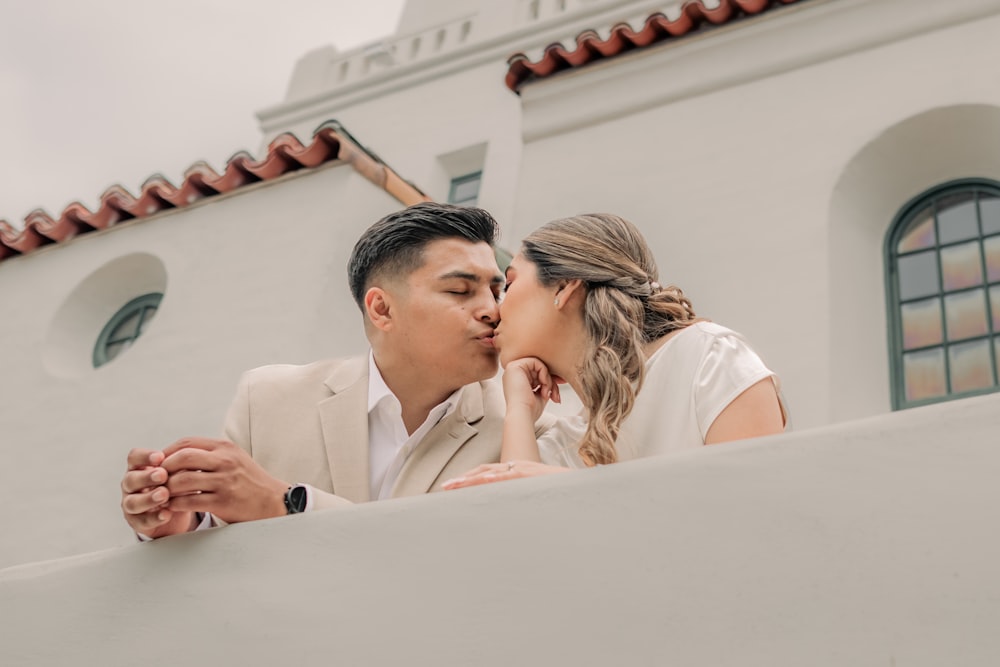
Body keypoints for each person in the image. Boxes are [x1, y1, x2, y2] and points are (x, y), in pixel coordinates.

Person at [120, 202, 552, 539]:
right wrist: (174, 523)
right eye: (461, 290)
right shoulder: (266, 399)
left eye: (498, 290)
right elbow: (220, 545)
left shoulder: (531, 426)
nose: (491, 311)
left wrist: (285, 503)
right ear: (382, 309)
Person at [443, 213, 786, 490]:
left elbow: (754, 507)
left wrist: (573, 488)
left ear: (563, 287)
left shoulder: (709, 361)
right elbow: (517, 527)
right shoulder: (559, 442)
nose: (496, 308)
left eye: (511, 283)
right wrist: (519, 410)